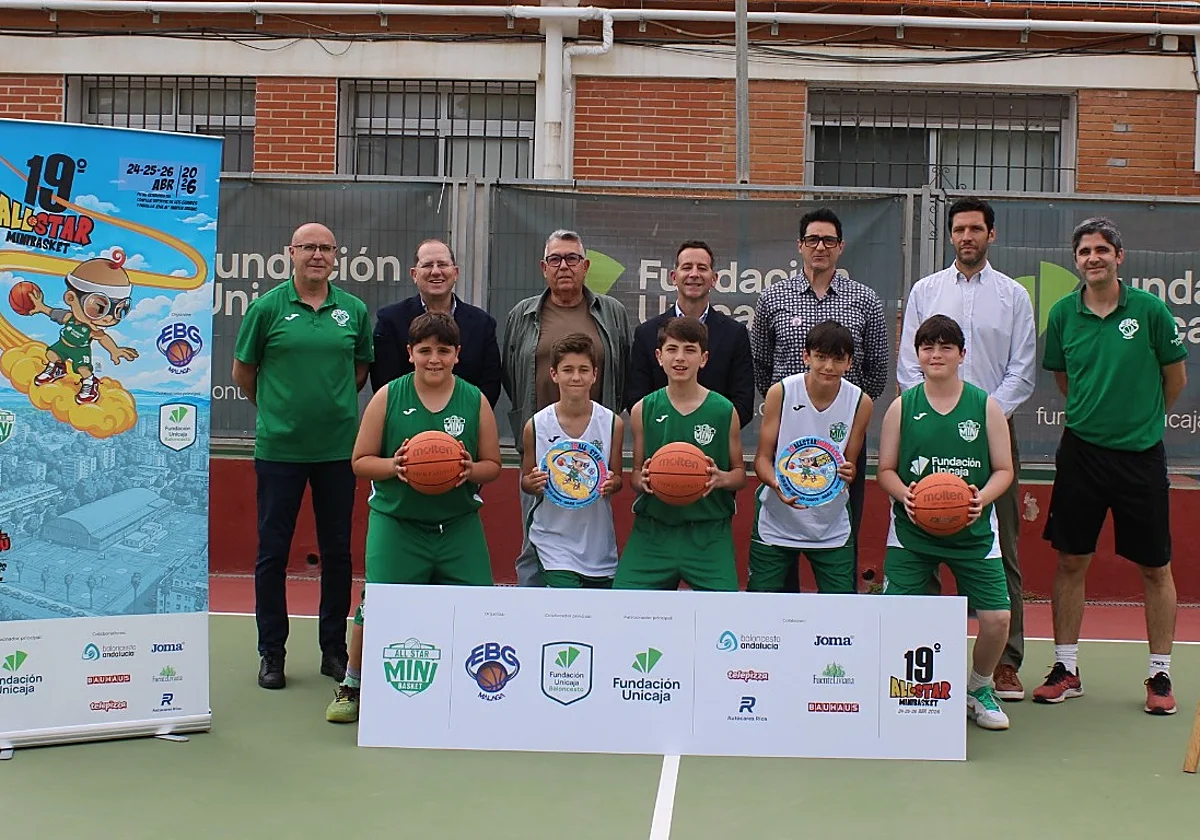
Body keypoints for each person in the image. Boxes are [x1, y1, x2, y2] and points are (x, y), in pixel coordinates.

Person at [1035, 217, 1187, 715]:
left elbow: (1175, 378)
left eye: (1102, 249)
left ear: (1119, 257)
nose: (1093, 258)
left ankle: (1160, 675)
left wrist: (1143, 423)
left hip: (1141, 456)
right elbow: (1065, 379)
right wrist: (1094, 416)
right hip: (1082, 454)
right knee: (1070, 560)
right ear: (1076, 260)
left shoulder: (1150, 310)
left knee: (1155, 567)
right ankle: (1066, 668)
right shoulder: (1063, 313)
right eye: (1084, 251)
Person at [325, 312, 502, 723]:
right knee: (376, 604)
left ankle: (478, 687)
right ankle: (352, 684)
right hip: (398, 523)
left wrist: (469, 469)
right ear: (410, 353)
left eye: (443, 350)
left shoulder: (474, 399)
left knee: (481, 607)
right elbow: (360, 461)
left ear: (457, 354)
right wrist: (396, 466)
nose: (434, 359)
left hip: (457, 524)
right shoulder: (389, 396)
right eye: (425, 350)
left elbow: (493, 464)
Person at [897, 196, 1036, 702]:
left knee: (1003, 544)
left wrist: (982, 415)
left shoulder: (1013, 295)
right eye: (959, 229)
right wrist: (941, 414)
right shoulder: (926, 290)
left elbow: (1023, 370)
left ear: (990, 234)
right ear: (950, 235)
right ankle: (929, 656)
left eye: (976, 228)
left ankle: (1005, 663)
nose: (967, 237)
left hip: (992, 431)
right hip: (927, 431)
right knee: (926, 533)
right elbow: (909, 365)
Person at [232, 222, 373, 690]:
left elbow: (358, 372)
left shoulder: (353, 310)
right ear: (290, 252)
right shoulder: (266, 308)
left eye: (325, 248)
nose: (317, 255)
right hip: (280, 451)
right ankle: (271, 653)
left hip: (337, 452)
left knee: (337, 553)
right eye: (308, 247)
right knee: (272, 554)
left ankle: (334, 651)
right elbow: (244, 372)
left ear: (336, 256)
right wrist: (278, 411)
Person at [877, 314, 1015, 731]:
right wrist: (906, 496)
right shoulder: (903, 407)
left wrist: (979, 499)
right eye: (928, 347)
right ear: (917, 355)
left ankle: (979, 688)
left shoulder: (985, 406)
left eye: (945, 347)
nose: (936, 354)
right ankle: (903, 687)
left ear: (962, 354)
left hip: (973, 530)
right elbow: (885, 470)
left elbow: (1004, 470)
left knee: (997, 619)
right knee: (895, 617)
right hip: (912, 531)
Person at [751, 208, 889, 591]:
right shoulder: (773, 296)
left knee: (840, 530)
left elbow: (877, 368)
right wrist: (791, 407)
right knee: (779, 567)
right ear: (800, 245)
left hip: (841, 436)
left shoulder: (864, 299)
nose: (820, 247)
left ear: (841, 246)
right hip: (787, 434)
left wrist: (842, 407)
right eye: (813, 239)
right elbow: (760, 361)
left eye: (829, 240)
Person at [502, 229, 631, 587]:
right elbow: (510, 373)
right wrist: (538, 423)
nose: (564, 266)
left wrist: (600, 424)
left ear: (585, 266)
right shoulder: (523, 314)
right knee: (534, 542)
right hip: (542, 441)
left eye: (572, 258)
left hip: (593, 445)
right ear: (544, 267)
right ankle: (532, 609)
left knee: (592, 531)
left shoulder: (612, 312)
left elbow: (623, 369)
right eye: (555, 259)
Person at [615, 316, 745, 591]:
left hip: (708, 533)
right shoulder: (642, 409)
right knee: (624, 606)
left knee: (725, 612)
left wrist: (721, 478)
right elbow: (635, 475)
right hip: (653, 531)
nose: (680, 358)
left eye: (690, 350)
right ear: (659, 357)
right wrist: (644, 480)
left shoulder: (724, 410)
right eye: (672, 349)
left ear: (704, 358)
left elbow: (739, 475)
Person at [749, 320, 873, 593]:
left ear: (849, 363)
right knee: (760, 606)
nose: (828, 366)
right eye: (821, 357)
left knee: (840, 607)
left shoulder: (860, 402)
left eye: (838, 359)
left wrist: (848, 472)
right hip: (777, 518)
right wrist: (778, 484)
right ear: (806, 356)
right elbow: (762, 460)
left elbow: (849, 467)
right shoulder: (781, 392)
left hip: (831, 523)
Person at [520, 334, 624, 588]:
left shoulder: (612, 423)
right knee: (567, 605)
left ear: (595, 375)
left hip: (598, 542)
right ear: (554, 374)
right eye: (568, 370)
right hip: (552, 539)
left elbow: (618, 478)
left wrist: (613, 483)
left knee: (596, 609)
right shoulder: (536, 425)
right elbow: (526, 482)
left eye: (583, 370)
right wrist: (533, 482)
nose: (576, 377)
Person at [625, 240, 755, 429]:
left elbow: (742, 403)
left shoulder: (735, 334)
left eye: (702, 268)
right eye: (687, 267)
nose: (694, 274)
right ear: (673, 277)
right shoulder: (647, 334)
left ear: (714, 279)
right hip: (662, 440)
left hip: (714, 441)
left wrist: (705, 433)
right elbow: (636, 399)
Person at [370, 238, 501, 405]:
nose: (436, 271)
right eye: (427, 265)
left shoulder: (482, 324)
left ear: (455, 273)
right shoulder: (390, 321)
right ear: (414, 274)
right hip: (406, 417)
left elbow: (490, 384)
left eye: (442, 264)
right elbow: (384, 383)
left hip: (465, 417)